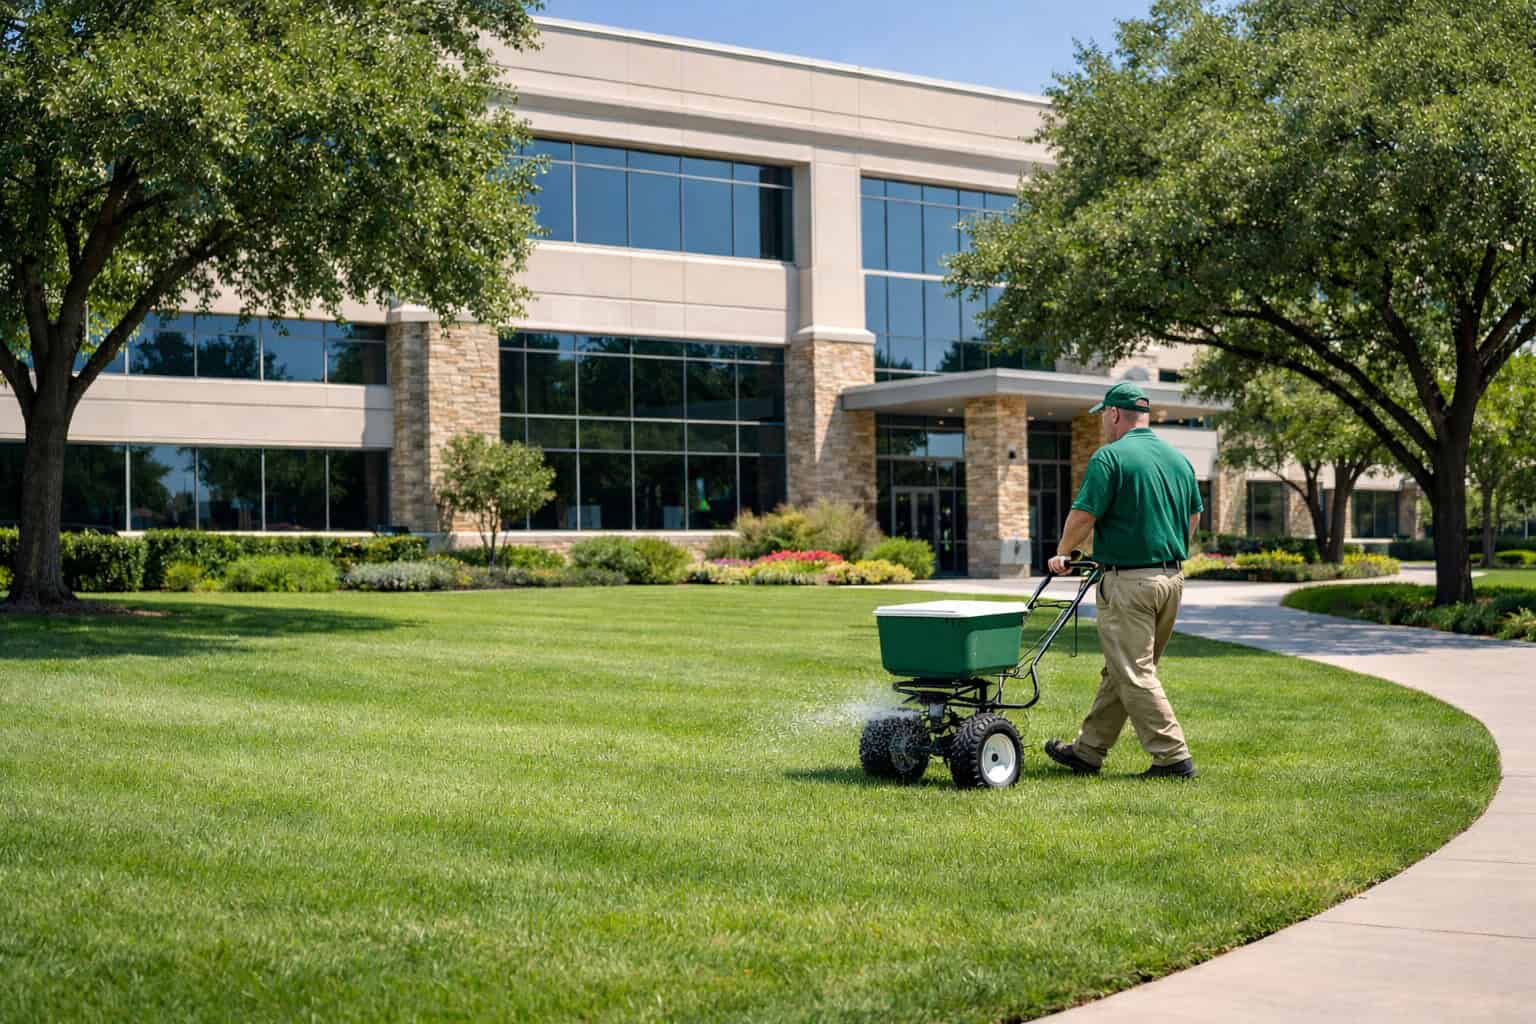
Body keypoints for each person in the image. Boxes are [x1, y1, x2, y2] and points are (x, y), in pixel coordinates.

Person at [1042, 381, 1203, 779]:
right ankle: (1087, 751)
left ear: (1114, 414)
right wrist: (1171, 548)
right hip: (1171, 580)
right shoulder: (1178, 460)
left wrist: (1062, 553)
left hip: (1129, 584)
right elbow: (1194, 516)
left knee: (1134, 672)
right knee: (1122, 669)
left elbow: (1083, 515)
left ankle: (1173, 757)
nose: (1102, 424)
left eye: (1103, 416)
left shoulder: (1109, 458)